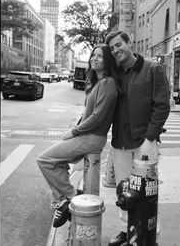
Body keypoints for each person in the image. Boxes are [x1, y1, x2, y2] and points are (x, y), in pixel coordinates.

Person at [37, 43, 120, 228]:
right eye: (93, 55)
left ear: (108, 61)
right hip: (88, 135)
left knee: (44, 160)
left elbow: (97, 117)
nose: (95, 58)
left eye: (100, 56)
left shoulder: (108, 83)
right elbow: (88, 114)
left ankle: (70, 198)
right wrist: (77, 128)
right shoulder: (98, 83)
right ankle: (64, 200)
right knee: (57, 163)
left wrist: (74, 132)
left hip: (92, 137)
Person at [105, 31, 170, 246]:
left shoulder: (152, 68)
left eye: (118, 45)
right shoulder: (114, 74)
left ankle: (151, 238)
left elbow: (162, 105)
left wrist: (150, 138)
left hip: (145, 144)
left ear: (129, 43)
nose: (116, 50)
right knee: (125, 191)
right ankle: (126, 232)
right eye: (112, 48)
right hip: (120, 143)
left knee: (148, 195)